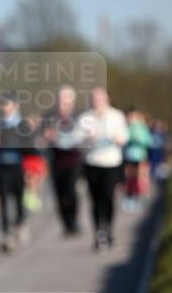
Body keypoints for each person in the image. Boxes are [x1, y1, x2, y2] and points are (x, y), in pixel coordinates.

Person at [78, 87, 129, 250]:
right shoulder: (85, 118)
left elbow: (124, 136)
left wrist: (119, 139)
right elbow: (77, 140)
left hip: (111, 163)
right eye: (94, 99)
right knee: (95, 200)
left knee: (108, 198)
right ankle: (98, 233)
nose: (97, 102)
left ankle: (109, 229)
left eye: (100, 99)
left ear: (107, 99)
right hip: (92, 163)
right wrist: (87, 139)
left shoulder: (117, 116)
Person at [0, 92, 29, 252]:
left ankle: (20, 224)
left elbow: (31, 147)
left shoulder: (23, 125)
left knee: (19, 199)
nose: (4, 108)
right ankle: (5, 233)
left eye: (7, 104)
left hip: (18, 167)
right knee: (3, 200)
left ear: (16, 106)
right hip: (2, 168)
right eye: (2, 104)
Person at [43, 85, 84, 236]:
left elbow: (84, 137)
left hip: (74, 160)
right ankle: (66, 224)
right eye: (62, 98)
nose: (64, 102)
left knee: (71, 191)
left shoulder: (80, 116)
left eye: (67, 98)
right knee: (59, 193)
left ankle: (74, 220)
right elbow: (41, 138)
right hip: (56, 159)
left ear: (72, 100)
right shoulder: (49, 117)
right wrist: (47, 137)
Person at [122, 108, 152, 211]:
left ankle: (137, 198)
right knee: (129, 178)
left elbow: (148, 141)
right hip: (128, 157)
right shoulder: (127, 127)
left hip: (140, 157)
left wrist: (138, 139)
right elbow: (123, 139)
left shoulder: (142, 128)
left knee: (139, 179)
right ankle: (129, 197)